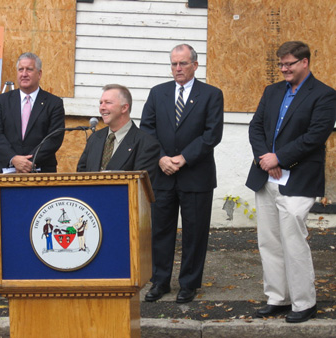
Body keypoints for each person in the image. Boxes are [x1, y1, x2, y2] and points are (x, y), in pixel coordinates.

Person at [246, 41, 336, 323]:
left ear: (305, 62)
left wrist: (280, 159)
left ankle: (304, 302)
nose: (284, 69)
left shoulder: (325, 95)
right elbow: (256, 126)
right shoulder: (272, 91)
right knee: (269, 241)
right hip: (266, 176)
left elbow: (315, 136)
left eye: (289, 64)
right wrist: (265, 158)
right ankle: (278, 298)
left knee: (294, 241)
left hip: (299, 178)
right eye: (281, 64)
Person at [140, 44, 224, 303]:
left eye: (183, 63)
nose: (178, 68)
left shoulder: (211, 95)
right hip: (162, 174)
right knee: (161, 231)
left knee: (194, 232)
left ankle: (188, 283)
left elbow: (212, 134)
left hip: (196, 175)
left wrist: (184, 157)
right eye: (174, 64)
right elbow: (147, 129)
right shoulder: (158, 93)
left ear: (195, 65)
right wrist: (162, 157)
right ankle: (160, 281)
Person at [0, 52, 65, 301]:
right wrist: (14, 160)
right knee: (0, 226)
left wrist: (30, 161)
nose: (24, 74)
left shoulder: (53, 102)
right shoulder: (2, 101)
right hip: (6, 175)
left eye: (29, 69)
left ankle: (38, 278)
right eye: (20, 69)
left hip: (40, 173)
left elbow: (55, 138)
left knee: (41, 226)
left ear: (39, 73)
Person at [77, 84, 160, 183]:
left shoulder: (146, 144)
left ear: (124, 108)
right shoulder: (95, 138)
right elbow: (81, 174)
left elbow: (140, 186)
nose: (102, 107)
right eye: (101, 103)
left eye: (108, 103)